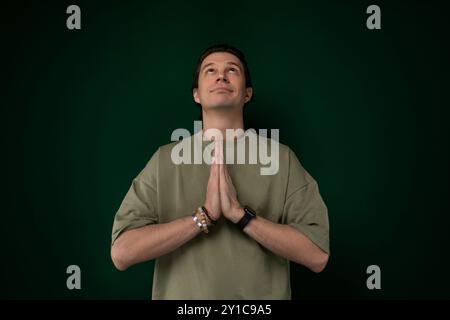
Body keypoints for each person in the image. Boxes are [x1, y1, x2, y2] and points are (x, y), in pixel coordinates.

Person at [110, 44, 330, 299]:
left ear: (247, 94)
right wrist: (202, 217)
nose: (221, 76)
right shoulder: (164, 160)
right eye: (210, 70)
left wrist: (241, 216)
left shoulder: (282, 160)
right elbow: (122, 253)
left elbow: (317, 255)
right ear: (197, 95)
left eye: (232, 70)